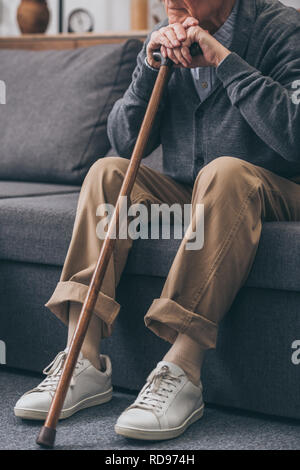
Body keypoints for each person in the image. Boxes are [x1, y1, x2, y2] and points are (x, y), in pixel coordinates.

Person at [14, 0, 300, 441]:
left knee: (224, 172)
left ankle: (181, 370)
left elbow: (295, 136)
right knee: (106, 173)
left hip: (275, 188)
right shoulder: (166, 38)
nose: (170, 1)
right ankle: (83, 359)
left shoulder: (281, 27)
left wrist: (225, 62)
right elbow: (122, 140)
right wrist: (148, 68)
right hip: (193, 191)